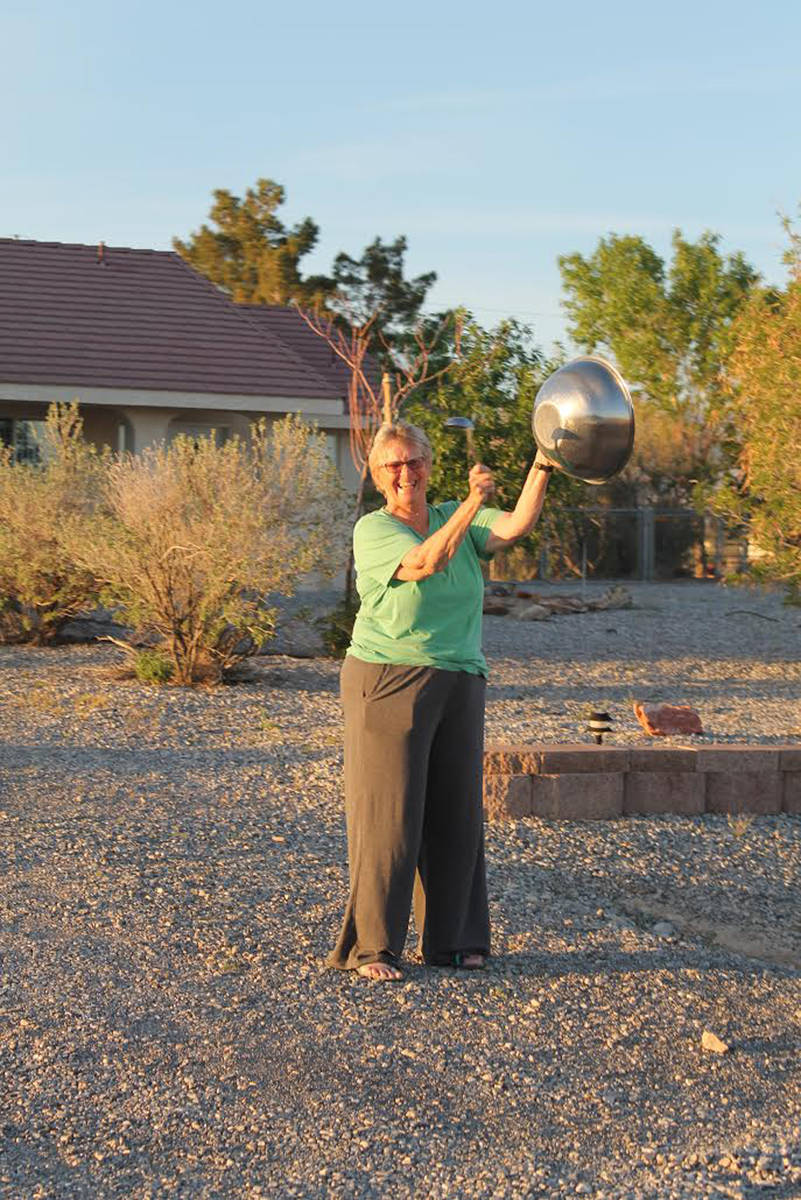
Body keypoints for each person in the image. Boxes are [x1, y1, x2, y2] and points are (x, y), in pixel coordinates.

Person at [328, 420, 555, 981]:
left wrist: (544, 461)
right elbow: (425, 562)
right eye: (394, 465)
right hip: (387, 677)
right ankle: (373, 948)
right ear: (378, 476)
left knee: (457, 812)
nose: (406, 472)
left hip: (459, 676)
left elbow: (515, 525)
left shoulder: (458, 514)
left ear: (429, 464)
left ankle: (454, 942)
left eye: (414, 461)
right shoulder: (374, 530)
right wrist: (472, 503)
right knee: (390, 815)